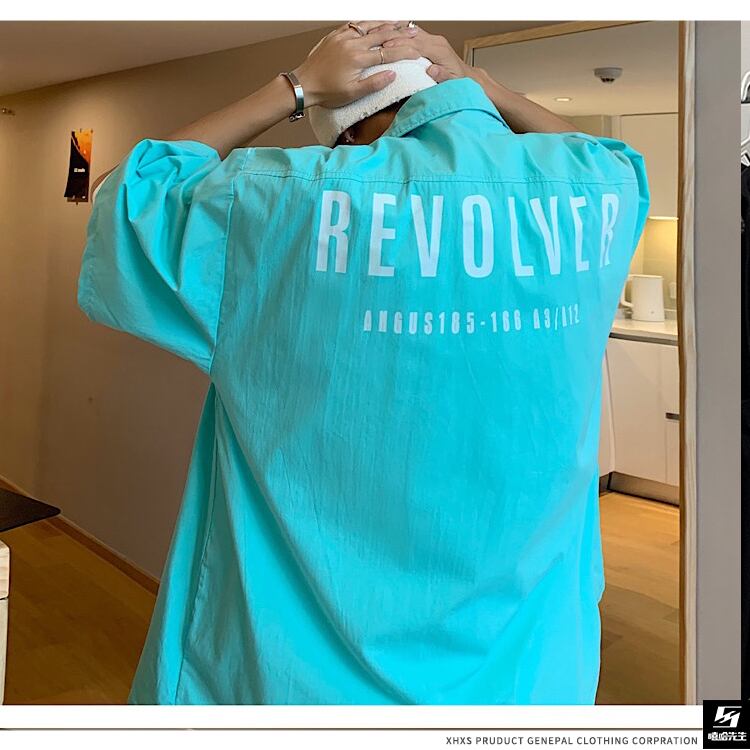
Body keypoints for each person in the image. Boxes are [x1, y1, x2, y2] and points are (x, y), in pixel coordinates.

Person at [78, 21, 650, 705]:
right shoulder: (592, 189)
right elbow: (607, 155)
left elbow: (125, 194)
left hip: (296, 685)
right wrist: (481, 85)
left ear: (345, 133)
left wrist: (293, 88)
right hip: (528, 682)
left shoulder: (283, 200)